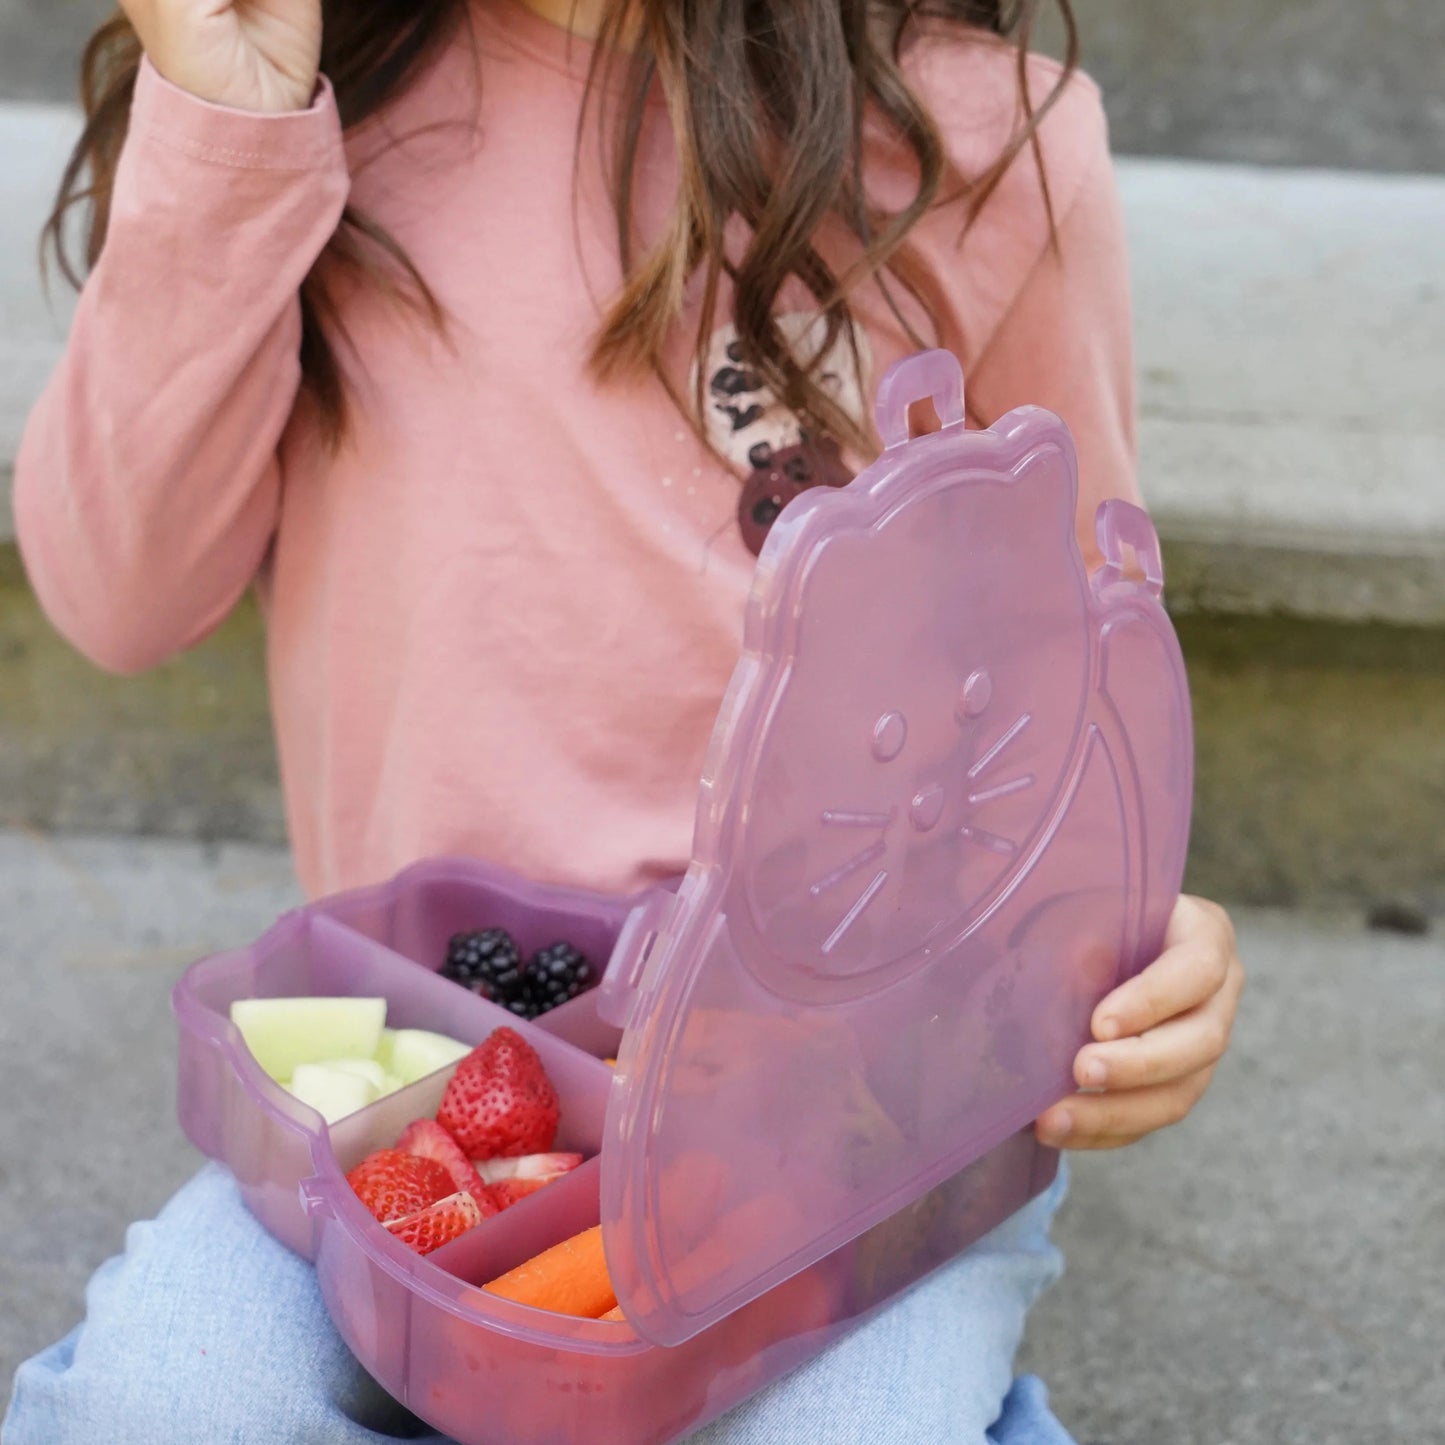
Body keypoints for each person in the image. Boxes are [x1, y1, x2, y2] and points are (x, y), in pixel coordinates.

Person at [3, 0, 1245, 1440]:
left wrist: (1136, 944)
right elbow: (120, 597)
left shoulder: (987, 144)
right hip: (425, 1083)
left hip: (860, 1135)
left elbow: (1072, 695)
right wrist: (230, 124)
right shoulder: (331, 93)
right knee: (162, 1404)